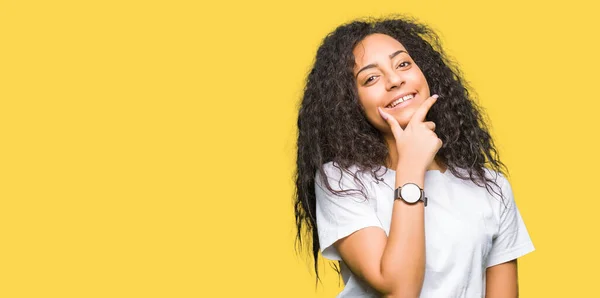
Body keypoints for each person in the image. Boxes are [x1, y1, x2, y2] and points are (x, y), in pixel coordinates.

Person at [293, 15, 535, 297]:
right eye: (371, 78)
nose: (395, 80)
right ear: (350, 103)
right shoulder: (341, 180)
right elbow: (399, 289)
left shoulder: (490, 188)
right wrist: (410, 166)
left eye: (403, 64)